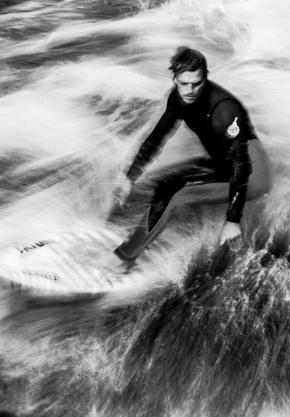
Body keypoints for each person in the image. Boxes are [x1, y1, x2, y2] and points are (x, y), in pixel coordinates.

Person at [111, 46, 273, 266]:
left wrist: (233, 220)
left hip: (251, 174)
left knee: (171, 190)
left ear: (205, 78)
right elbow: (157, 138)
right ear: (175, 78)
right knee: (160, 181)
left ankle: (124, 258)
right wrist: (129, 178)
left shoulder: (225, 109)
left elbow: (240, 164)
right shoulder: (178, 99)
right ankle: (134, 229)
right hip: (224, 164)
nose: (190, 90)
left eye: (197, 83)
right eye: (183, 83)